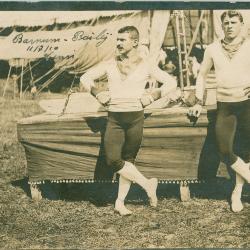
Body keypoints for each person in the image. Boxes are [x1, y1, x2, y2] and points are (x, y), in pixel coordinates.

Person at [80, 26, 177, 215]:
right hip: (115, 118)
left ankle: (120, 203)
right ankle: (148, 184)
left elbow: (171, 83)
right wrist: (97, 92)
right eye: (117, 39)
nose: (118, 43)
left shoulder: (147, 65)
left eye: (122, 40)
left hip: (135, 118)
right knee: (113, 160)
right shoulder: (109, 63)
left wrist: (152, 96)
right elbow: (85, 78)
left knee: (128, 160)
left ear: (135, 42)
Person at [188, 10, 250, 212]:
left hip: (247, 105)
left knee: (246, 152)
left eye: (233, 22)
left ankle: (237, 193)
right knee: (225, 150)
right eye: (226, 22)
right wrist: (198, 101)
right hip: (225, 106)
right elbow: (202, 76)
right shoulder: (213, 49)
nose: (230, 25)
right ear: (221, 26)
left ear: (242, 24)